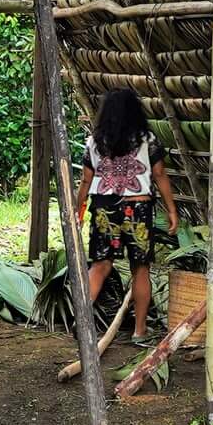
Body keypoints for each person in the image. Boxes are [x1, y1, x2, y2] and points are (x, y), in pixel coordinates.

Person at [75, 87, 179, 344]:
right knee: (140, 269)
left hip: (103, 208)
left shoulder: (95, 142)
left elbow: (86, 181)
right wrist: (172, 210)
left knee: (100, 265)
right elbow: (159, 175)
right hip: (138, 208)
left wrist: (79, 210)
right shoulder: (147, 140)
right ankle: (140, 331)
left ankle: (82, 325)